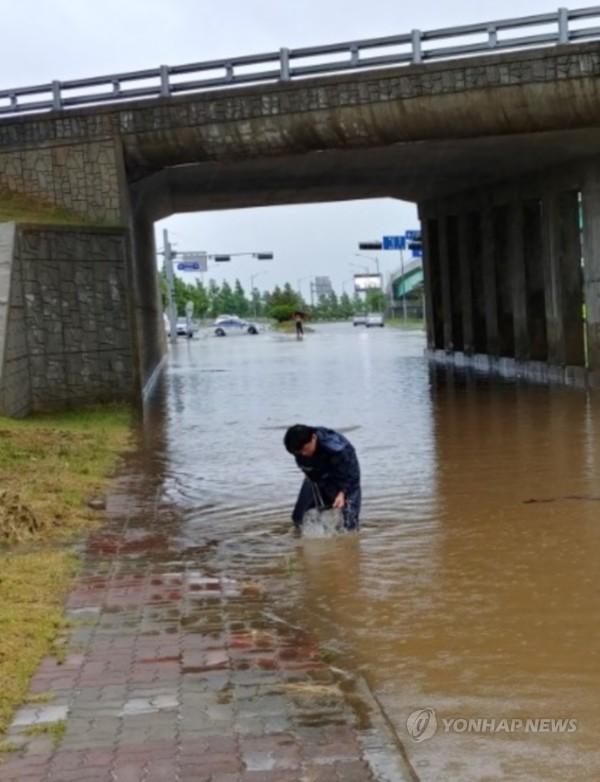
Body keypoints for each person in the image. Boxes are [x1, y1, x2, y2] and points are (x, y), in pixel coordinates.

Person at [283, 424, 361, 531]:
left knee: (349, 524)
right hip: (317, 475)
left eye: (305, 449)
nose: (303, 454)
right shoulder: (298, 448)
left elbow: (351, 474)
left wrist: (342, 492)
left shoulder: (337, 448)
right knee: (298, 518)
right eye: (299, 452)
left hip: (346, 475)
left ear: (313, 438)